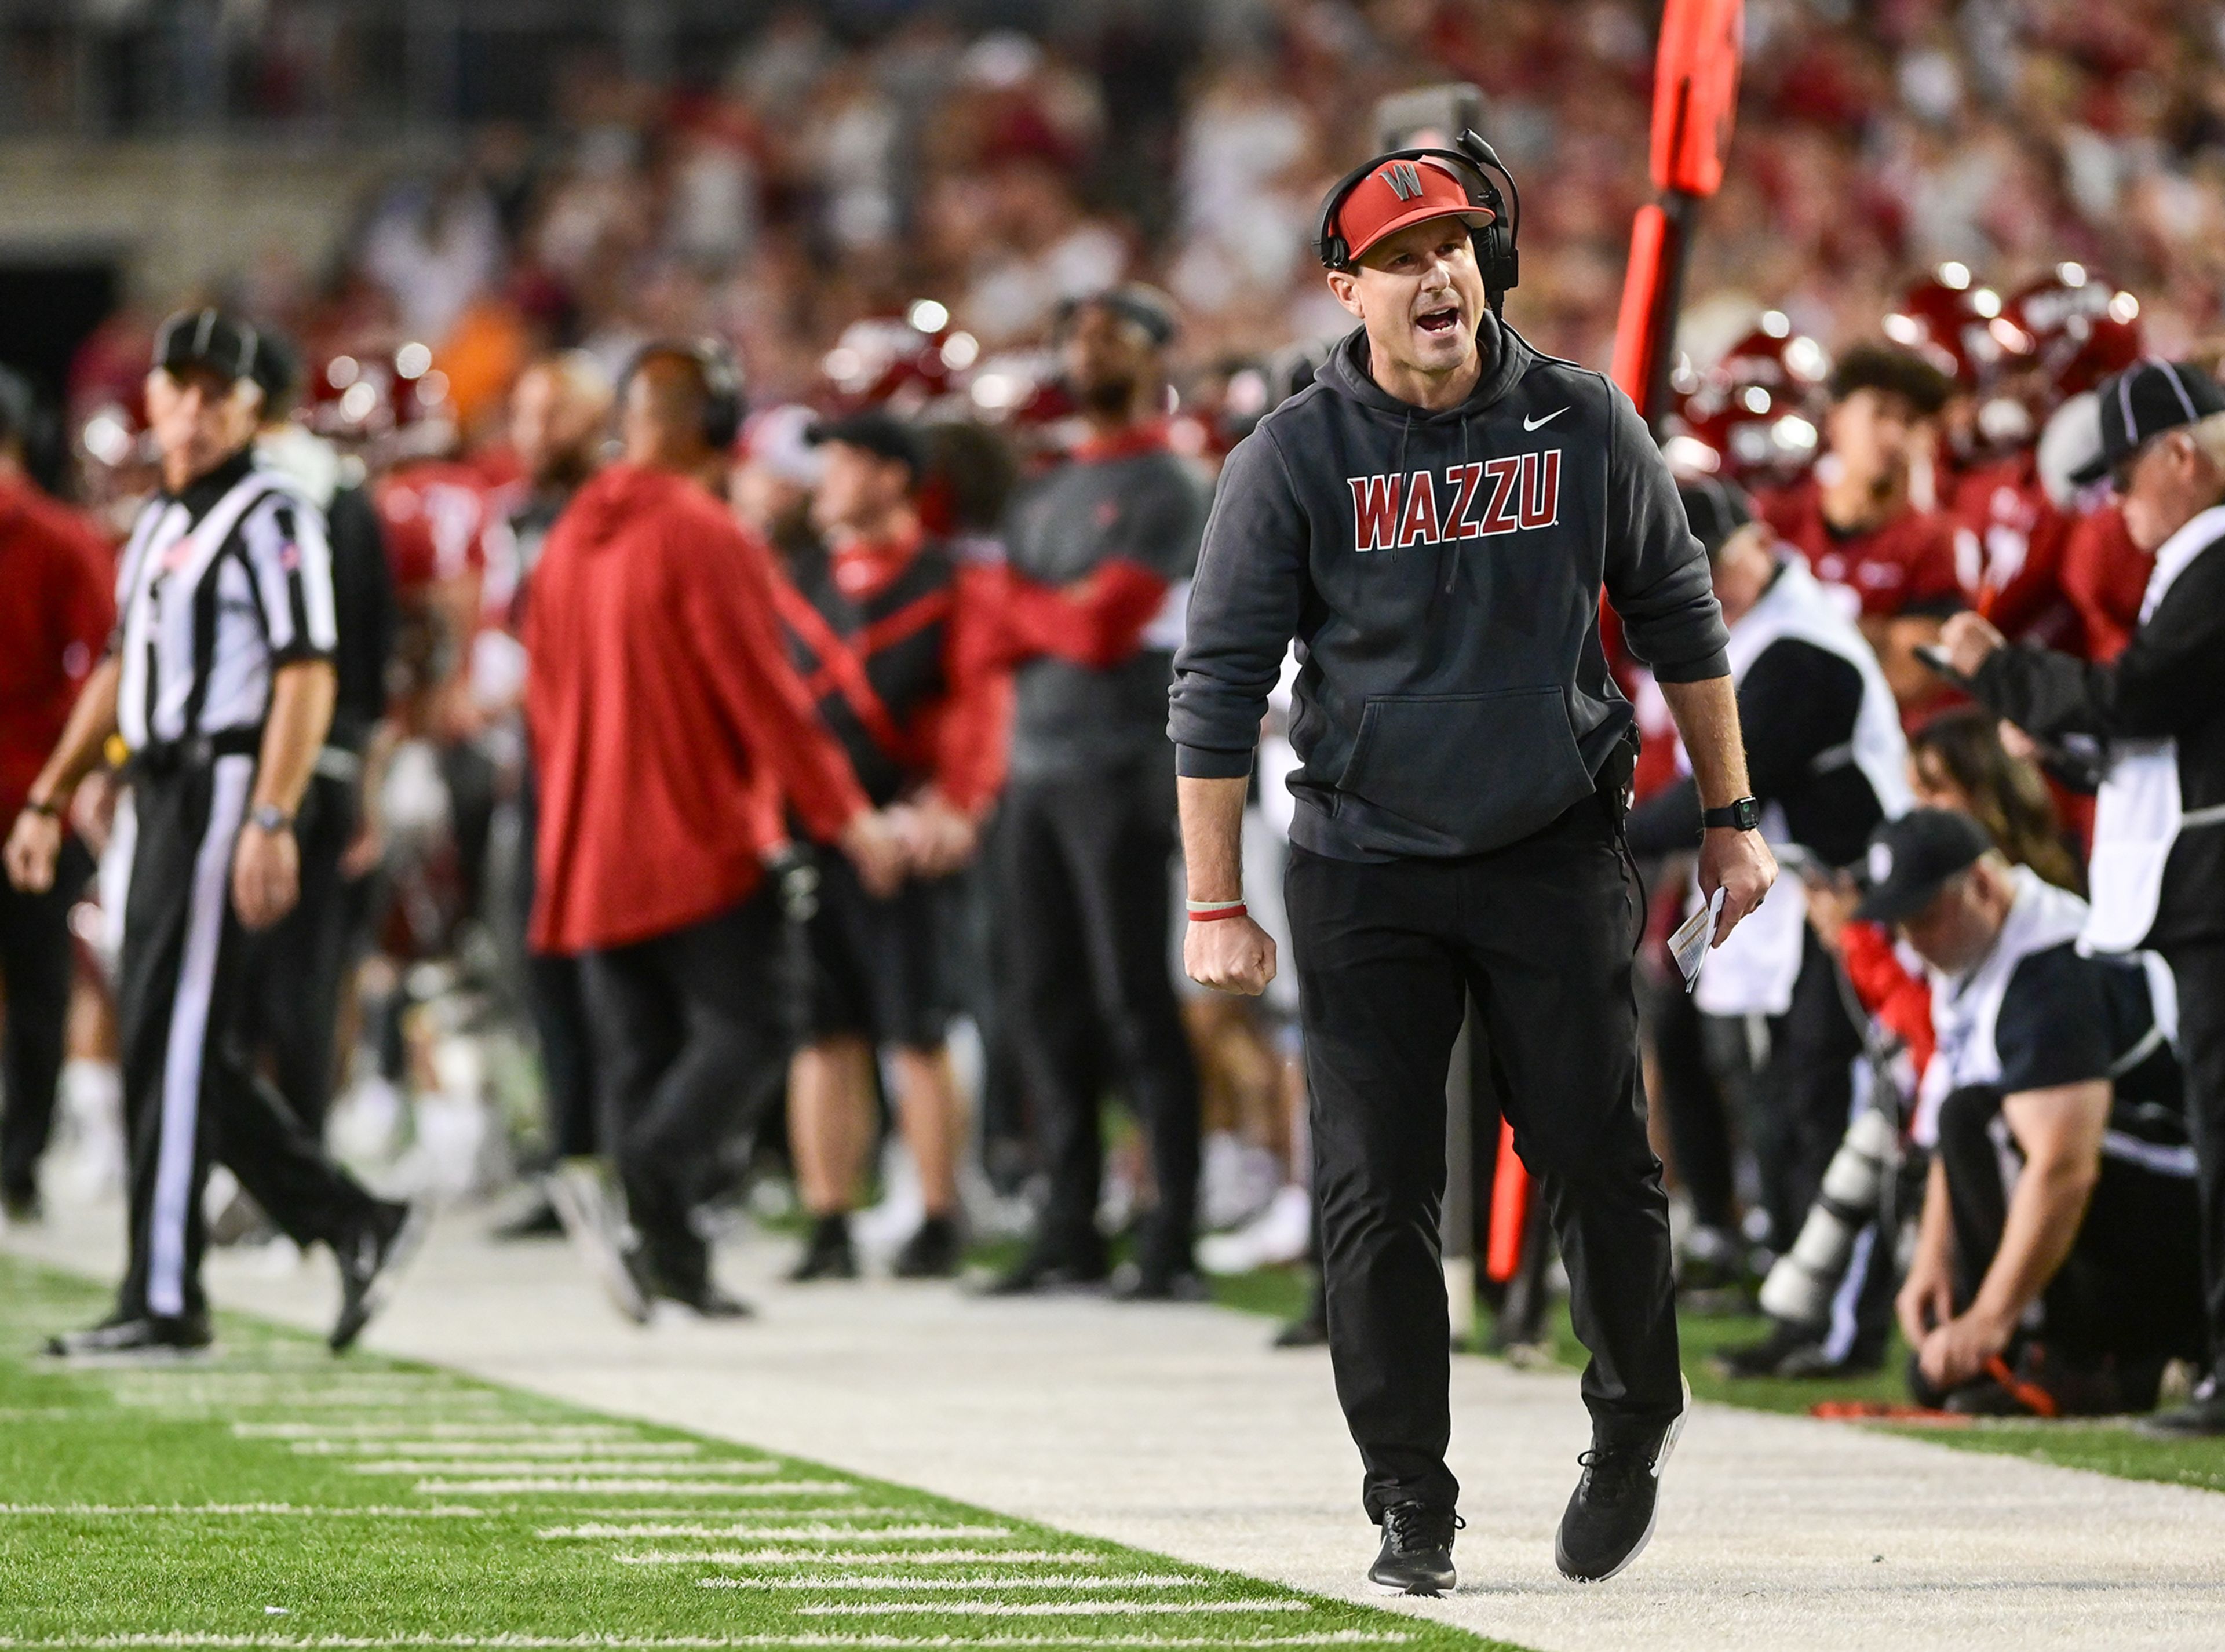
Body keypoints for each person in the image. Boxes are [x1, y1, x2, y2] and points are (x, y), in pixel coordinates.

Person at [1169, 149, 1772, 1592]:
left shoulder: (1578, 415)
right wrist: (1214, 899)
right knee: (1376, 1191)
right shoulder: (1292, 457)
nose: (1436, 273)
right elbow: (1212, 688)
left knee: (1591, 1157)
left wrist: (1731, 814)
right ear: (1347, 288)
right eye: (1402, 254)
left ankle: (1631, 1420)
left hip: (1549, 845)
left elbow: (1680, 617)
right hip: (1362, 860)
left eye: (1453, 244)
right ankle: (1407, 1498)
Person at [2, 309, 418, 1357]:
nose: (189, 410)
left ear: (247, 407)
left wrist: (273, 812)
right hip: (166, 786)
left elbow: (307, 669)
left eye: (211, 393)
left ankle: (166, 1293)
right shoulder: (157, 519)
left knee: (180, 1032)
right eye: (174, 388)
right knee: (157, 1033)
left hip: (231, 781)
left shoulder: (275, 513)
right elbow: (120, 668)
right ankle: (349, 1217)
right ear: (150, 398)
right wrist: (57, 789)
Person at [524, 338, 904, 1323]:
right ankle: (645, 1180)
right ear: (714, 425)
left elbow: (546, 696)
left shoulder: (570, 534)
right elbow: (764, 697)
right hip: (692, 835)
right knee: (759, 1023)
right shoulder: (704, 531)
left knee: (642, 1051)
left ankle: (671, 1261)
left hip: (587, 835)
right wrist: (841, 816)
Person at [1941, 358, 2225, 1436]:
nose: (2116, 503)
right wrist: (2064, 740)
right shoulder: (2192, 565)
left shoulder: (2215, 556)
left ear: (2181, 456)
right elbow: (2160, 739)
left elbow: (2139, 692)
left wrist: (2001, 669)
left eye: (2122, 476)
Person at [1627, 478, 1909, 1377]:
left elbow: (1727, 788)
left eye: (1713, 562)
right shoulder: (1762, 638)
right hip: (1809, 906)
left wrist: (1602, 829)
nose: (1704, 584)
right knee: (1786, 1102)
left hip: (1859, 905)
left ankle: (1842, 1321)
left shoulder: (1801, 648)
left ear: (1756, 541)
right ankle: (1798, 1301)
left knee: (1824, 1106)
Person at [984, 285, 1210, 1300]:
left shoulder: (1171, 484)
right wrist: (1044, 608)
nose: (1089, 350)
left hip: (1120, 765)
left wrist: (1028, 606)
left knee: (1134, 1001)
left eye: (1112, 335)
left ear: (1155, 354)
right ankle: (1069, 1220)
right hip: (1033, 766)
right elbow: (992, 624)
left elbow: (1098, 630)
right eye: (1077, 334)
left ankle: (1172, 1231)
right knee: (1044, 1002)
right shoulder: (1041, 489)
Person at [1859, 809, 2202, 1416]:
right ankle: (2126, 1374)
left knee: (1985, 1120)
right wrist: (1932, 1263)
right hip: (2135, 1190)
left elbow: (2064, 1165)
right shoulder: (1975, 954)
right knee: (1934, 1373)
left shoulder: (2052, 968)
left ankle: (2063, 1354)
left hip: (2178, 1216)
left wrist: (1991, 1318)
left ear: (1983, 886)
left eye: (1924, 917)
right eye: (1901, 925)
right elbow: (1953, 1117)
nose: (1914, 942)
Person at [780, 409, 1009, 1282]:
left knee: (919, 1029)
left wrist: (955, 804)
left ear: (889, 476)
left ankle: (938, 1212)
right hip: (823, 832)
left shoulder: (951, 581)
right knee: (821, 1030)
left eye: (840, 462)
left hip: (912, 832)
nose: (824, 481)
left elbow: (978, 701)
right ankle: (828, 1220)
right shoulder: (796, 579)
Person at [234, 332, 398, 1143]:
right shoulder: (345, 490)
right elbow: (373, 656)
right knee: (308, 970)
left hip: (238, 762)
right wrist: (364, 779)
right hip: (330, 758)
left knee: (235, 977)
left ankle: (261, 1166)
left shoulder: (230, 491)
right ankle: (298, 1158)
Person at [489, 351, 612, 1241]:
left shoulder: (613, 509)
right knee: (546, 967)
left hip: (612, 769)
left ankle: (651, 1164)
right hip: (544, 768)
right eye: (526, 415)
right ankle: (571, 1161)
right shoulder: (525, 514)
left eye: (553, 414)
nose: (535, 433)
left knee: (619, 976)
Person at [0, 364, 114, 1223]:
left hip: (35, 800)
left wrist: (77, 781)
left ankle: (21, 1154)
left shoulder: (63, 541)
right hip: (38, 789)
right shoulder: (68, 536)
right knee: (37, 985)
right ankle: (20, 1157)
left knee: (40, 984)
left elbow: (108, 669)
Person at [1756, 343, 1964, 717]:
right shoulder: (1777, 515)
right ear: (1836, 420)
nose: (1894, 435)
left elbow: (1910, 676)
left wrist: (1791, 631)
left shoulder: (1934, 542)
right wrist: (1874, 636)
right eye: (1880, 413)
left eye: (1911, 421)